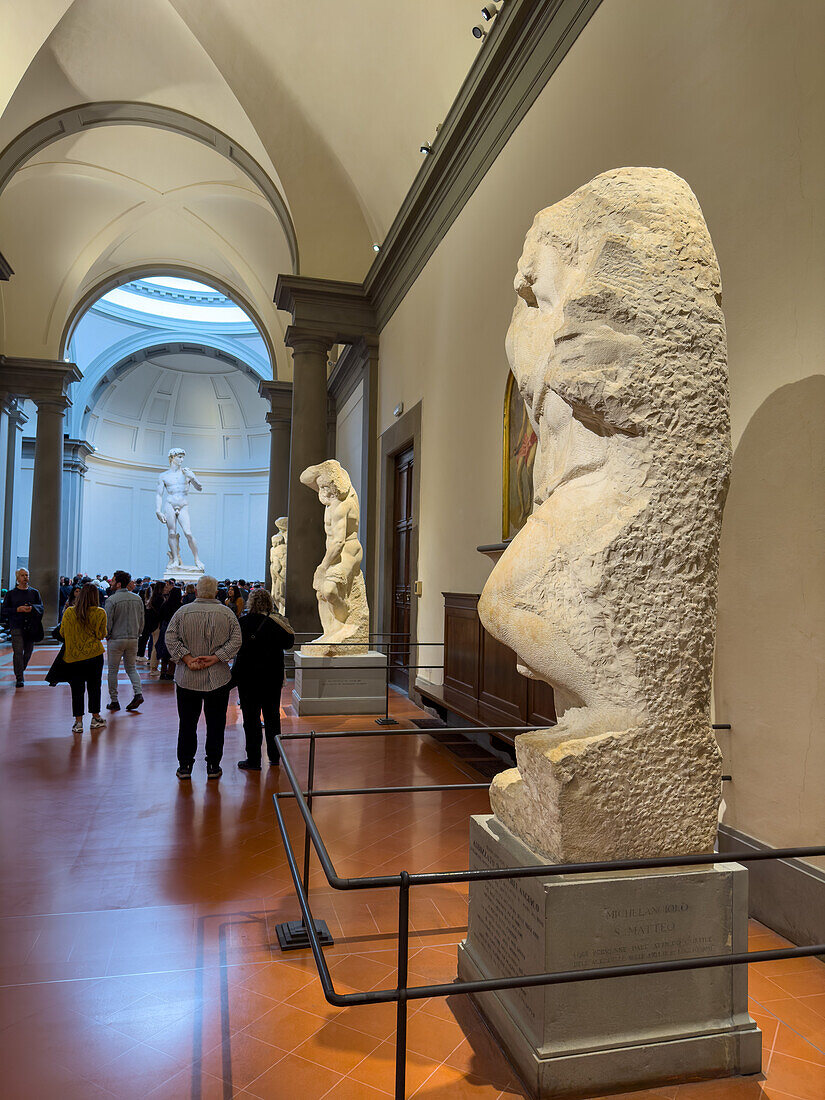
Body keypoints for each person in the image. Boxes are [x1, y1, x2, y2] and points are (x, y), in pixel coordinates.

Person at [164, 575, 241, 780]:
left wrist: (187, 658)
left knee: (187, 723)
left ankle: (185, 766)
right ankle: (213, 765)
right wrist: (216, 658)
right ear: (216, 592)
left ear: (196, 591)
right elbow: (236, 641)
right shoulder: (227, 614)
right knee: (216, 724)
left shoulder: (182, 612)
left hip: (187, 677)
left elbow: (170, 638)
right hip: (218, 678)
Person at [233, 589, 293, 771]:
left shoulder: (243, 622)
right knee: (272, 717)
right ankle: (275, 756)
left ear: (251, 603)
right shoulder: (278, 623)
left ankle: (253, 760)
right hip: (272, 677)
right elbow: (289, 643)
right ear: (269, 603)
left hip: (248, 678)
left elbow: (236, 646)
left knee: (251, 719)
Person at [60, 582, 107, 734]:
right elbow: (101, 635)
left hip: (74, 656)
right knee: (94, 687)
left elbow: (62, 633)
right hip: (94, 655)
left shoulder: (69, 612)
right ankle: (95, 717)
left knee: (77, 689)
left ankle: (78, 722)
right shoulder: (100, 612)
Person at [105, 570, 145, 712]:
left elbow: (108, 621)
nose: (111, 582)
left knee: (113, 670)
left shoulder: (111, 600)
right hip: (133, 639)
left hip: (116, 639)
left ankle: (114, 700)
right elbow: (141, 621)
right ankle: (138, 693)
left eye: (113, 580)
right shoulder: (137, 599)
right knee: (131, 668)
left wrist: (107, 634)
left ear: (119, 583)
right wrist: (137, 633)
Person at [1, 568, 44, 687]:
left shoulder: (34, 592)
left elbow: (41, 608)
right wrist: (17, 609)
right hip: (16, 626)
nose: (25, 577)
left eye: (27, 575)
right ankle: (19, 677)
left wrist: (32, 609)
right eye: (22, 575)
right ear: (17, 578)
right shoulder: (11, 594)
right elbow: (3, 610)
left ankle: (20, 669)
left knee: (28, 652)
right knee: (18, 652)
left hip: (31, 627)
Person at [157, 584, 183, 679]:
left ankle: (163, 672)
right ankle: (171, 673)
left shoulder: (165, 604)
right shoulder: (181, 606)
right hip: (177, 628)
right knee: (174, 650)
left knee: (164, 650)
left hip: (165, 626)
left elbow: (160, 615)